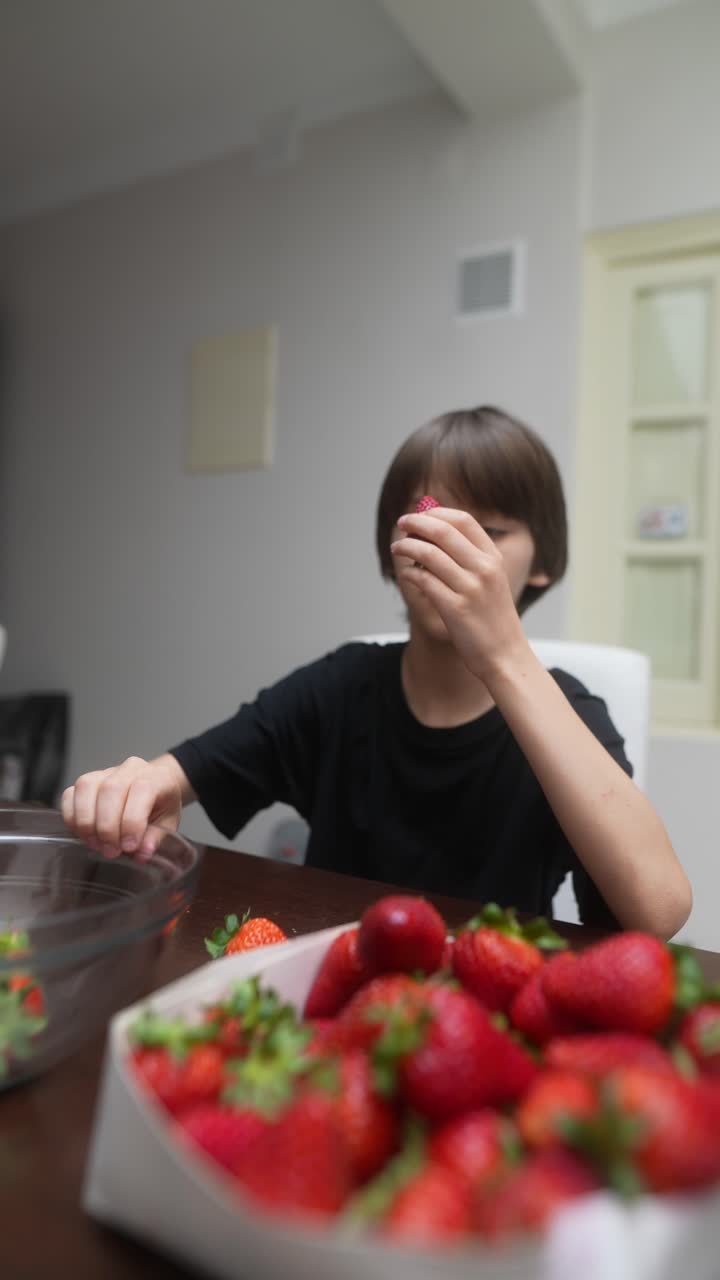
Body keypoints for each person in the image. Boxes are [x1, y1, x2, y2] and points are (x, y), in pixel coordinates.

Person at [62, 406, 692, 937]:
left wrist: (503, 655)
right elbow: (178, 778)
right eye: (428, 528)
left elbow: (659, 910)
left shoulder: (570, 717)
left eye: (487, 532)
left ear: (541, 565)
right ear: (393, 554)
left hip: (490, 1013)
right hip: (339, 991)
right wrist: (133, 791)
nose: (449, 554)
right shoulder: (342, 686)